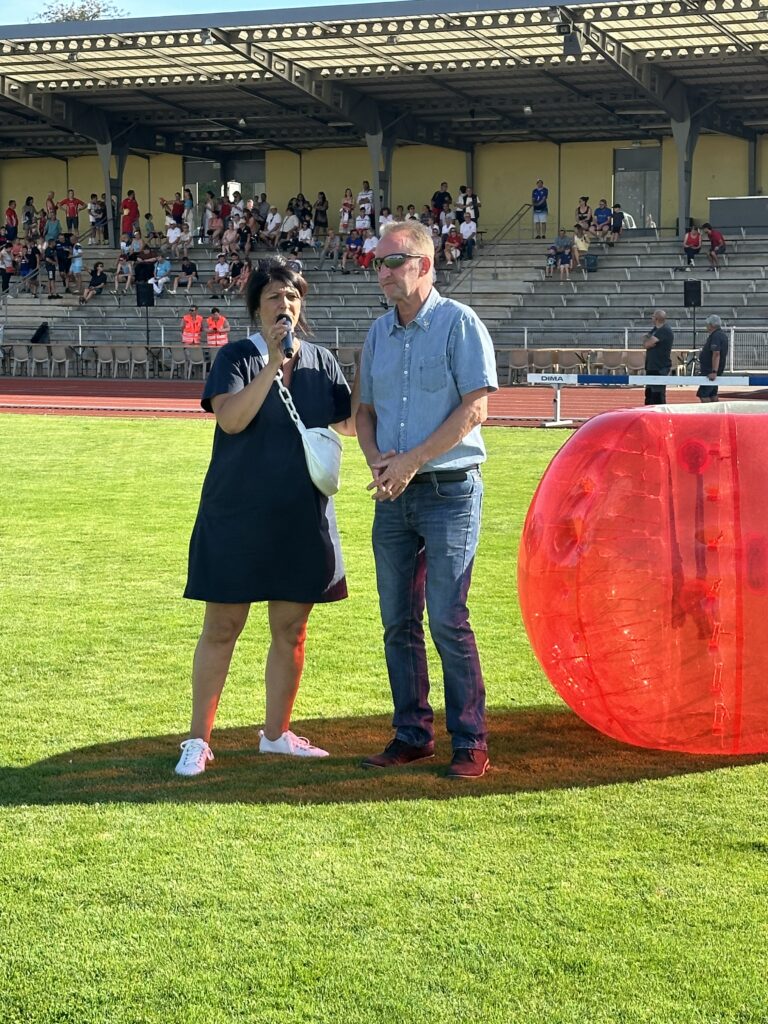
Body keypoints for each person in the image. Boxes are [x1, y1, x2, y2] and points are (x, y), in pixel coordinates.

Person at [175, 258, 359, 777]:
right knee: (222, 627)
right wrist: (273, 365)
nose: (286, 306)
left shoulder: (322, 360)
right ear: (256, 307)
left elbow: (346, 424)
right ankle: (198, 740)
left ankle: (276, 735)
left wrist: (373, 371)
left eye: (293, 297)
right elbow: (231, 420)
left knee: (292, 629)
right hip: (236, 515)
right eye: (275, 297)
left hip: (300, 518)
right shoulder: (236, 356)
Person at [356, 220, 498, 780]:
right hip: (392, 495)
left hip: (448, 492)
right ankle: (412, 735)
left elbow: (476, 409)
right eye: (378, 264)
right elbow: (363, 411)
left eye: (394, 262)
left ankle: (470, 741)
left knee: (446, 618)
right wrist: (376, 459)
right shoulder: (375, 334)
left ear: (425, 264)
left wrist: (412, 459)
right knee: (397, 621)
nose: (383, 273)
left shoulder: (460, 324)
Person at [642, 309, 673, 405]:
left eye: (653, 316)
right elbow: (645, 340)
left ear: (656, 318)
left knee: (657, 395)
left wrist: (648, 341)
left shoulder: (665, 330)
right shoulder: (655, 330)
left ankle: (661, 416)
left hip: (660, 366)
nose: (651, 318)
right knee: (649, 394)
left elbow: (647, 343)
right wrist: (648, 341)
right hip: (651, 366)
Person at [697, 314, 729, 402]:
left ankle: (710, 414)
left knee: (703, 394)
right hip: (712, 371)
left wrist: (714, 371)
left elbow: (716, 353)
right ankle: (718, 414)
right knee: (713, 393)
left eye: (707, 325)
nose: (706, 327)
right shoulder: (720, 335)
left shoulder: (716, 336)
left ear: (711, 325)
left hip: (710, 372)